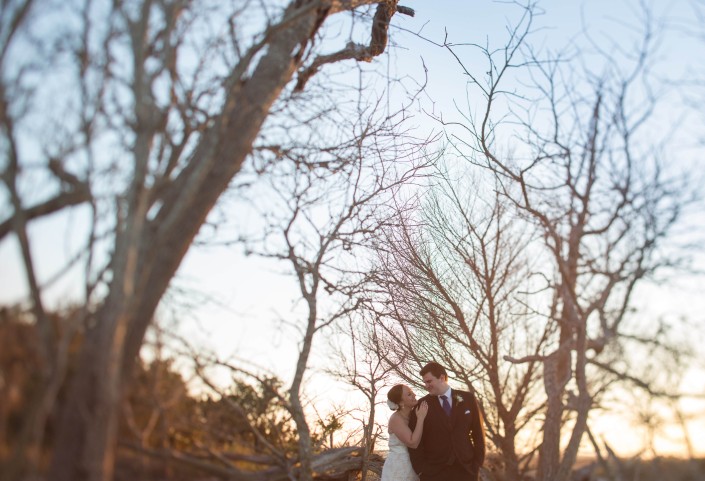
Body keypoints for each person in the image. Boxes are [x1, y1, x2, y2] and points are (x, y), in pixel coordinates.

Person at [408, 362, 486, 481]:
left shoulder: (468, 399)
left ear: (442, 378)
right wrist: (421, 469)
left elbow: (478, 434)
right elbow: (416, 441)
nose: (426, 385)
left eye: (429, 381)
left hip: (466, 470)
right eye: (424, 382)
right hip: (434, 473)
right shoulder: (421, 405)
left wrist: (477, 465)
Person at [381, 384, 429, 481]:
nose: (414, 395)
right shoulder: (396, 419)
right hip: (399, 467)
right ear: (401, 402)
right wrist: (420, 419)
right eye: (409, 394)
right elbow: (413, 443)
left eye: (412, 392)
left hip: (415, 464)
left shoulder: (413, 415)